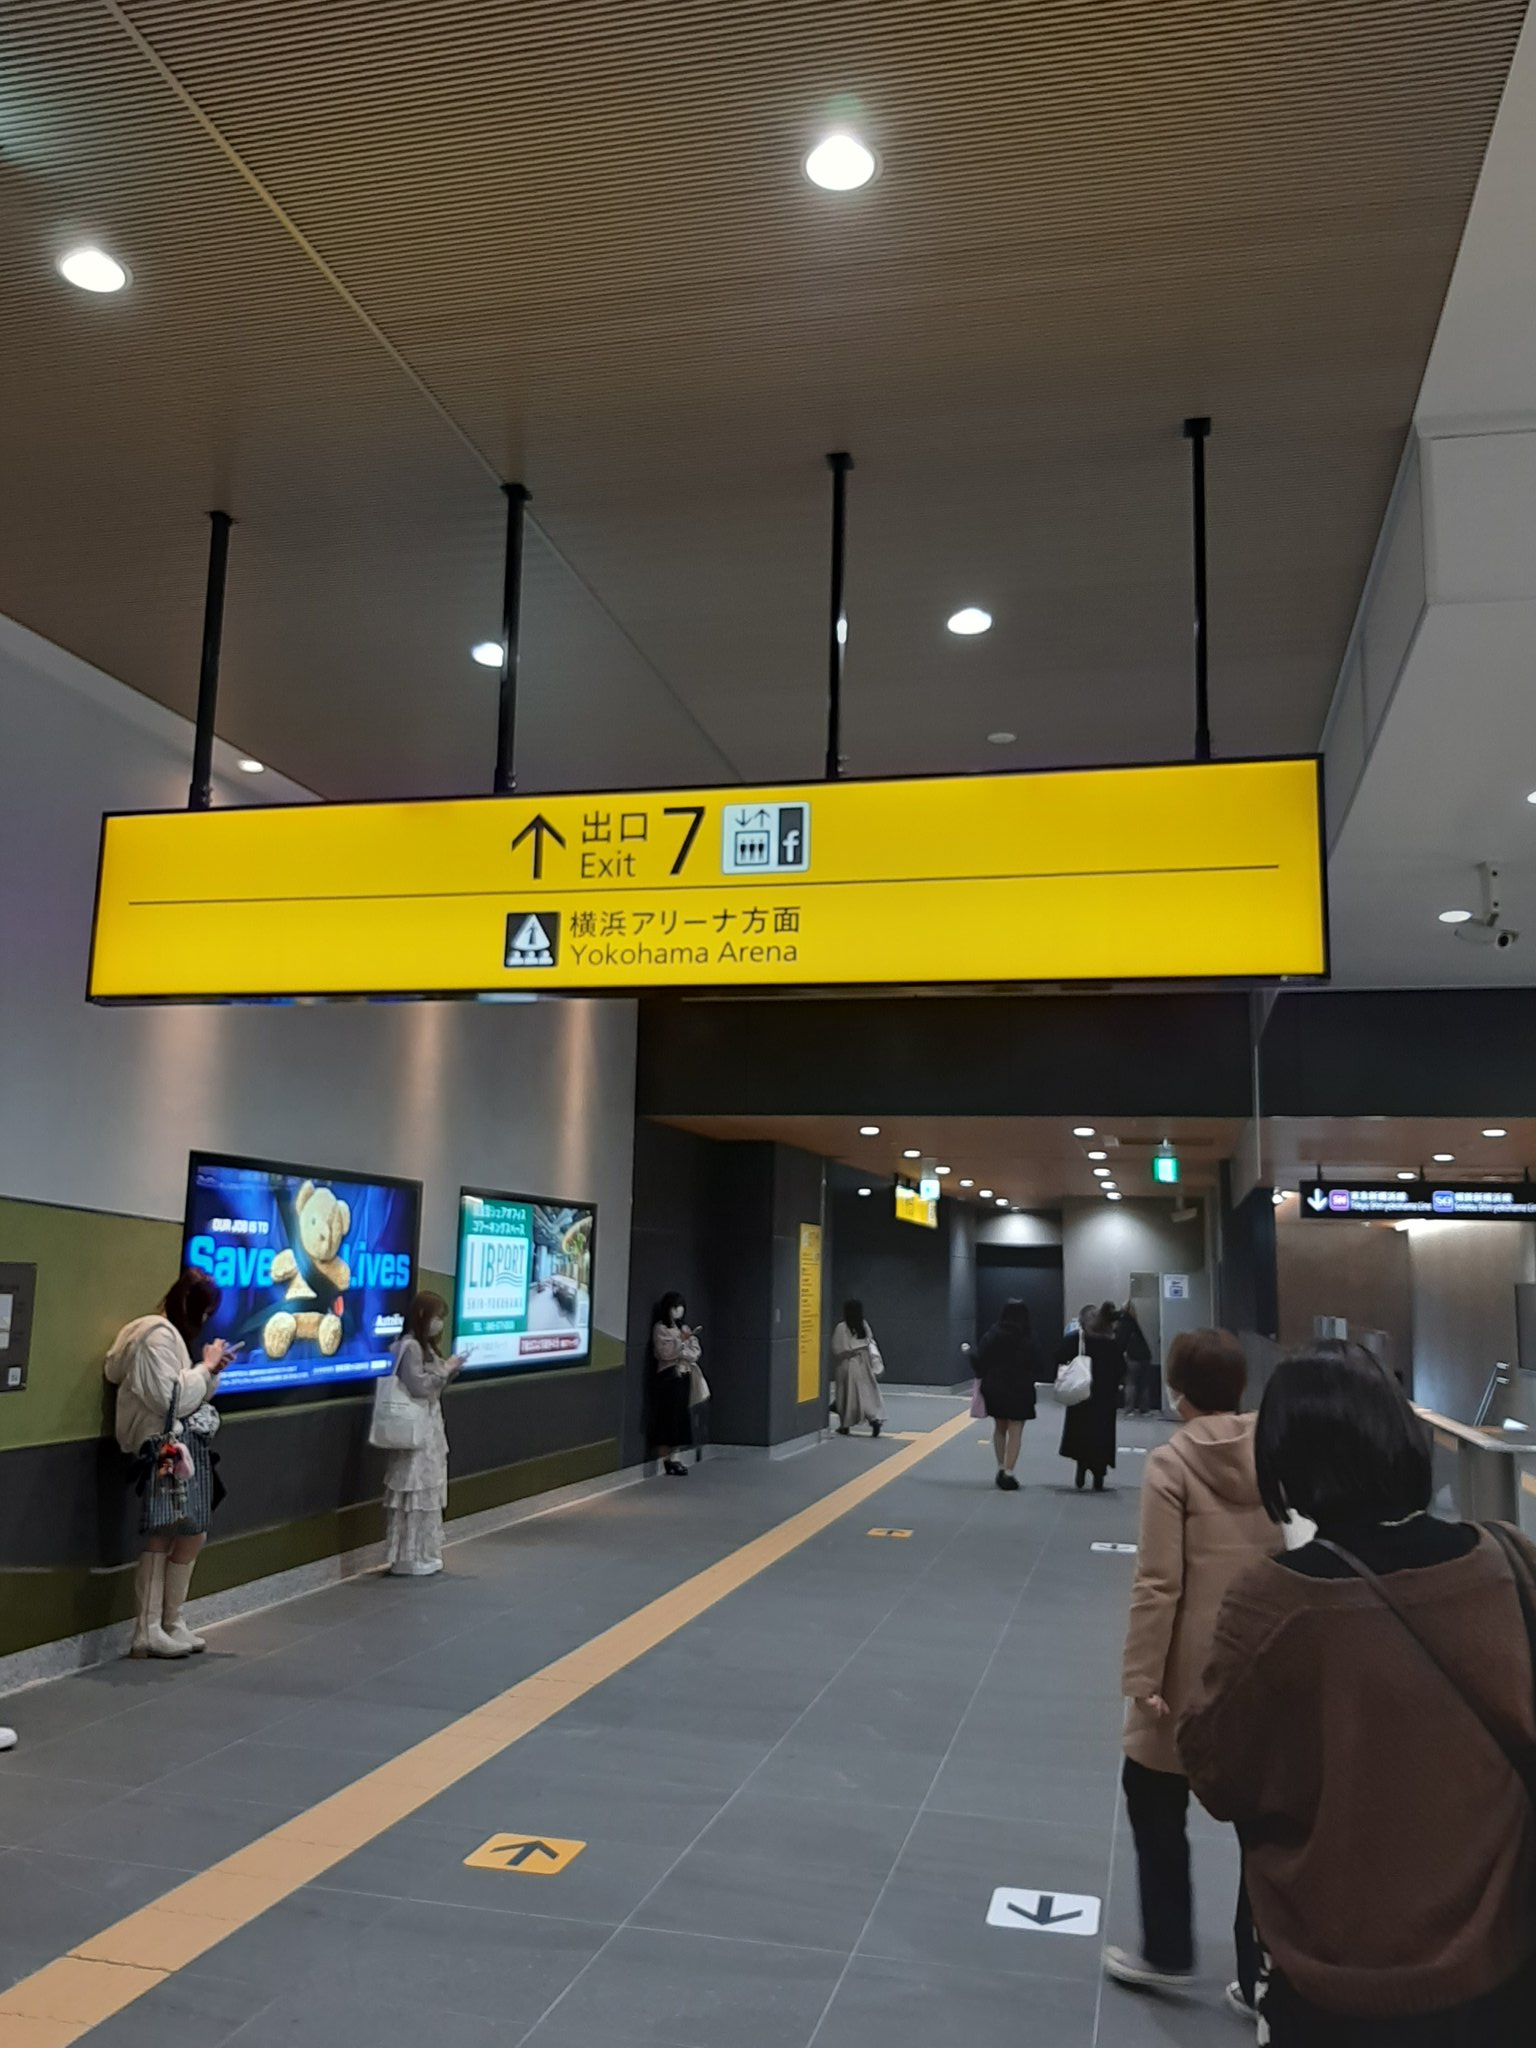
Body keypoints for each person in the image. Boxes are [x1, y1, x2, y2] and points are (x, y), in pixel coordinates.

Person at [1180, 1343, 1536, 2045]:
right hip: (1507, 1965)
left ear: (1286, 1459)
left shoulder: (1278, 1600)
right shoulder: (1511, 1562)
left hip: (1342, 1976)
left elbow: (1216, 1773)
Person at [1103, 1327, 1275, 2016]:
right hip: (1266, 1658)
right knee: (1264, 1818)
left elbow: (1158, 1582)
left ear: (1178, 1393)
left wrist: (1142, 1677)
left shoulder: (1171, 1463)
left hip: (1186, 1669)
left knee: (1152, 1794)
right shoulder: (1276, 1449)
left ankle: (1170, 1951)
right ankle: (1262, 1974)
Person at [104, 1269, 233, 1659]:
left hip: (178, 1445)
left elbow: (184, 1393)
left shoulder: (165, 1336)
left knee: (191, 1528)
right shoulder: (156, 1337)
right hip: (162, 1445)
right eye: (206, 1312)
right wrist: (205, 1368)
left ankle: (170, 1621)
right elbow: (170, 1398)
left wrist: (210, 1372)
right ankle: (148, 1629)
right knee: (165, 1528)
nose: (206, 1321)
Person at [382, 1290, 468, 1575]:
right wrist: (446, 1369)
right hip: (415, 1429)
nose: (439, 1323)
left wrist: (448, 1371)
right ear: (422, 1316)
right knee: (414, 1488)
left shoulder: (425, 1347)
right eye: (436, 1317)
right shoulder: (410, 1347)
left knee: (427, 1487)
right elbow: (419, 1386)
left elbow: (433, 1388)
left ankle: (423, 1552)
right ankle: (410, 1556)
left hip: (429, 1426)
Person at [1056, 1301, 1124, 1490]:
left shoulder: (1078, 1340)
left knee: (1081, 1431)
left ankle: (1081, 1466)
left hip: (1082, 1393)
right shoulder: (1112, 1344)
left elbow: (1058, 1355)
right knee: (1102, 1433)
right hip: (1105, 1398)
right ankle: (1099, 1473)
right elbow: (1121, 1369)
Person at [975, 1298, 1040, 1490]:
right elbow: (1038, 1363)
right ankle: (1009, 1472)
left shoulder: (993, 1334)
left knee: (1000, 1427)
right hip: (1021, 1388)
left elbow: (980, 1359)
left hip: (995, 1387)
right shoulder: (1028, 1336)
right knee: (1016, 1429)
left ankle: (1000, 1466)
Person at [650, 1290, 701, 1476]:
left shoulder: (684, 1328)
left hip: (684, 1376)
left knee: (680, 1418)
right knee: (667, 1418)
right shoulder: (660, 1328)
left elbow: (695, 1351)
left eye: (681, 1307)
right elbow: (664, 1353)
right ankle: (666, 1459)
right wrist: (681, 1345)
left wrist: (684, 1350)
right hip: (668, 1378)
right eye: (675, 1307)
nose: (679, 1310)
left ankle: (676, 1457)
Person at [831, 1299, 885, 1437]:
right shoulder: (863, 1325)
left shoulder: (842, 1327)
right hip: (864, 1364)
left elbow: (837, 1349)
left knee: (847, 1394)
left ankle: (845, 1425)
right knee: (866, 1393)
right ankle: (874, 1419)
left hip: (847, 1364)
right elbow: (869, 1341)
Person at [1118, 1303, 1157, 1415]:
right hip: (1146, 1357)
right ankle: (1145, 1409)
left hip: (1133, 1357)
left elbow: (1121, 1342)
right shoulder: (1135, 1323)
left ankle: (1129, 1409)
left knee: (1130, 1383)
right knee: (1144, 1384)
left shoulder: (1124, 1323)